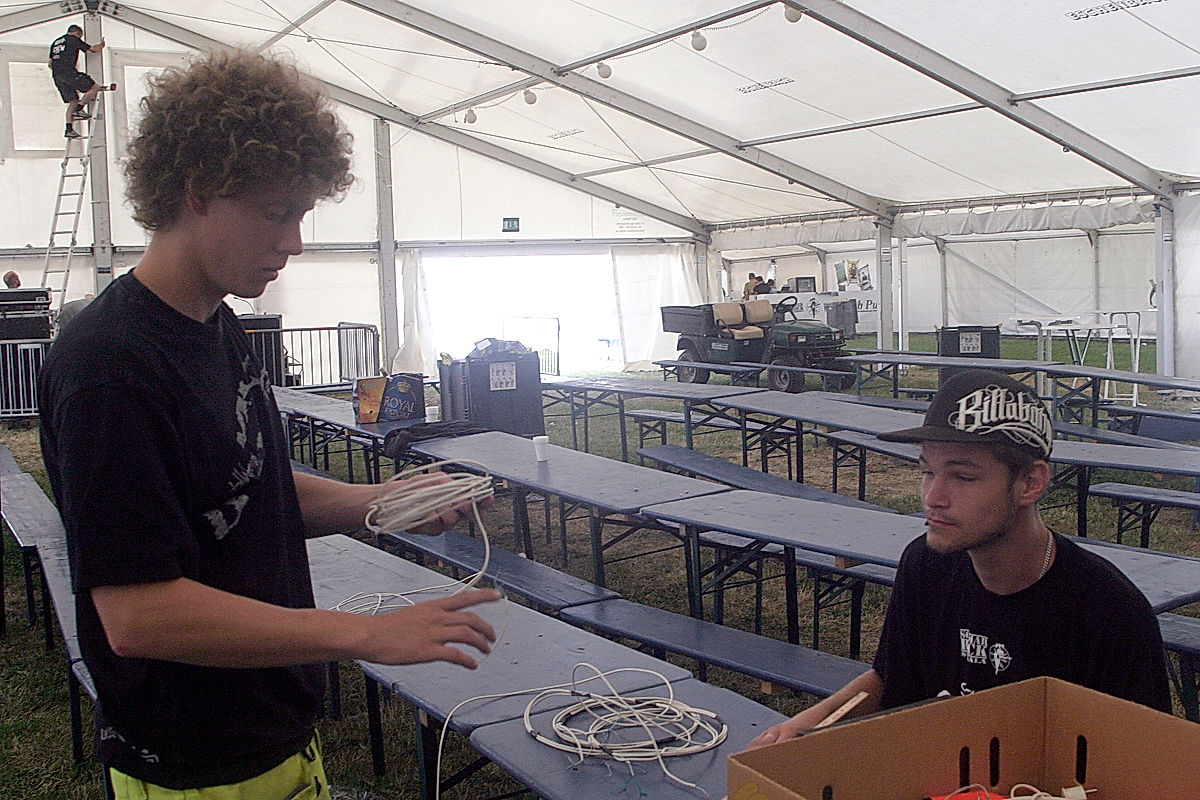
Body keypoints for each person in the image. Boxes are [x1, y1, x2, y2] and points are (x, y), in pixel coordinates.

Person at [39, 49, 500, 799]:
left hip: (269, 733)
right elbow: (138, 615)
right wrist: (364, 633)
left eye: (303, 213)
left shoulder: (216, 323)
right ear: (196, 190)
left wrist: (381, 500)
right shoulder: (110, 367)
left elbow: (246, 486)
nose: (294, 240)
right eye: (275, 211)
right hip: (194, 765)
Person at [750, 369, 1170, 747]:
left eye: (963, 476)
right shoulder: (926, 564)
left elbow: (1142, 758)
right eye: (927, 471)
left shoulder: (1109, 613)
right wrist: (808, 726)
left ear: (1030, 483)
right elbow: (891, 678)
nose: (933, 497)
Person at [49, 24, 105, 139]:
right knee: (94, 87)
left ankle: (69, 129)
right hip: (69, 73)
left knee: (72, 101)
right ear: (77, 33)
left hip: (56, 76)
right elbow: (93, 49)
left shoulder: (55, 42)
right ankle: (79, 110)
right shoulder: (73, 39)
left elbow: (50, 64)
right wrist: (102, 45)